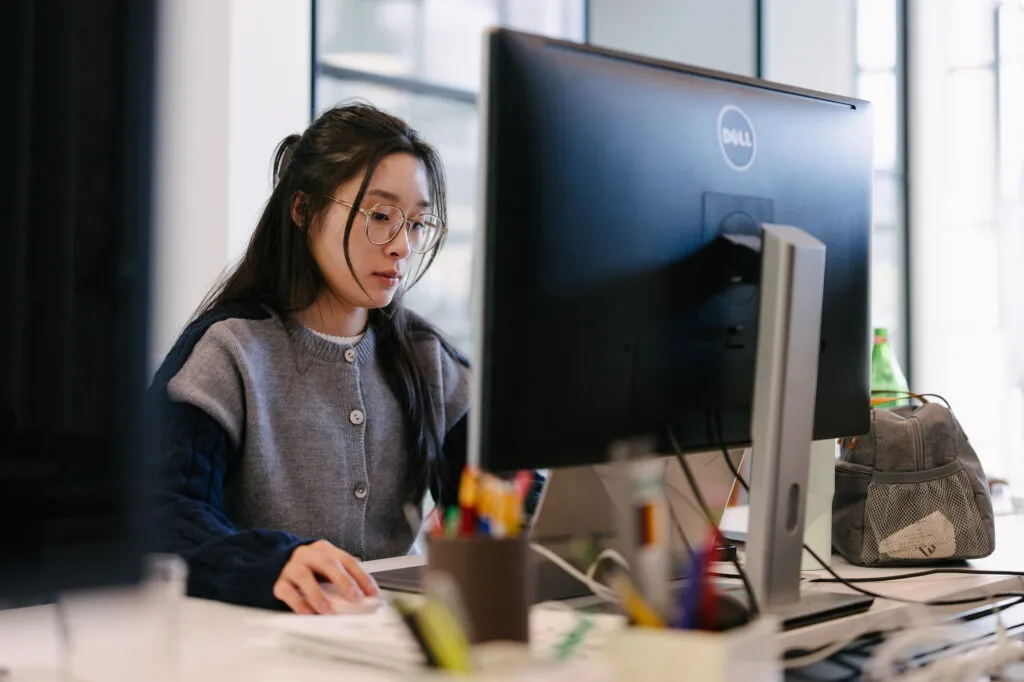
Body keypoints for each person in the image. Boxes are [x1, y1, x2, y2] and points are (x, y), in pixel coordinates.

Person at [150, 103, 470, 615]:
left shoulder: (428, 359)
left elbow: (501, 506)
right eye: (381, 216)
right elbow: (162, 511)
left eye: (416, 223)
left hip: (394, 637)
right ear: (303, 210)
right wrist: (271, 563)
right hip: (261, 638)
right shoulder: (230, 351)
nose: (401, 247)